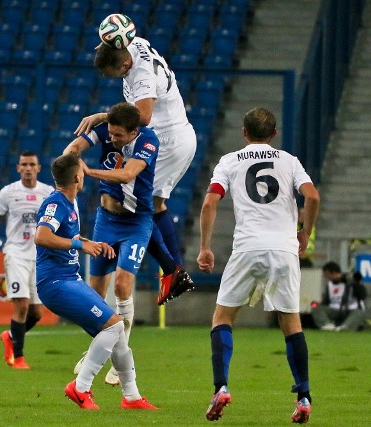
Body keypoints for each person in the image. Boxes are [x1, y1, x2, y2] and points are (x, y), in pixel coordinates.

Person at [196, 108, 320, 423]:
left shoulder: (229, 161)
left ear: (244, 133)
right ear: (274, 134)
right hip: (283, 248)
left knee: (222, 317)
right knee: (292, 323)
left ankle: (221, 387)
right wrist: (304, 232)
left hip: (248, 247)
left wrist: (205, 247)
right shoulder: (289, 161)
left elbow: (210, 202)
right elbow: (313, 197)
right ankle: (304, 396)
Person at [74, 33, 197, 304]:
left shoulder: (141, 77)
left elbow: (143, 116)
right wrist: (103, 45)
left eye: (112, 73)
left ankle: (173, 270)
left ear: (125, 66)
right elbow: (120, 35)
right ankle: (174, 269)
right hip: (177, 134)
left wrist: (103, 115)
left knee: (138, 205)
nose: (111, 77)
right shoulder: (131, 43)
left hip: (166, 139)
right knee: (155, 204)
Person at [34, 152, 157, 410]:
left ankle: (132, 397)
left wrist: (90, 243)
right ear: (78, 177)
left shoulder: (70, 202)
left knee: (117, 335)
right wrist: (79, 244)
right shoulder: (55, 204)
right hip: (56, 284)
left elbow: (67, 237)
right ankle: (80, 388)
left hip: (68, 279)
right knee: (113, 327)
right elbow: (42, 237)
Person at [64, 102, 157, 386]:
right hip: (106, 220)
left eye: (118, 136)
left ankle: (120, 358)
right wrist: (72, 158)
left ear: (134, 132)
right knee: (94, 295)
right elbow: (71, 149)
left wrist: (89, 172)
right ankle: (98, 351)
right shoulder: (106, 130)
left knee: (122, 285)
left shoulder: (149, 141)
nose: (112, 139)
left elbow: (128, 174)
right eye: (111, 134)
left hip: (136, 222)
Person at [0, 151, 54, 369]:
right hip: (15, 254)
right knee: (21, 306)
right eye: (24, 164)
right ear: (17, 167)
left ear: (38, 168)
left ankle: (10, 335)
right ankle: (19, 358)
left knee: (37, 313)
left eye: (32, 164)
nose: (27, 168)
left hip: (39, 256)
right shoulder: (8, 192)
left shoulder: (48, 192)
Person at [311, 261, 367, 331]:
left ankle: (345, 327)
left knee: (360, 312)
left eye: (327, 275)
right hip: (335, 310)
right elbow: (325, 303)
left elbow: (363, 296)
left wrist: (355, 283)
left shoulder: (351, 281)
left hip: (351, 310)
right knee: (314, 304)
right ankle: (327, 325)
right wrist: (316, 304)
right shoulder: (330, 285)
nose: (327, 277)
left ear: (334, 272)